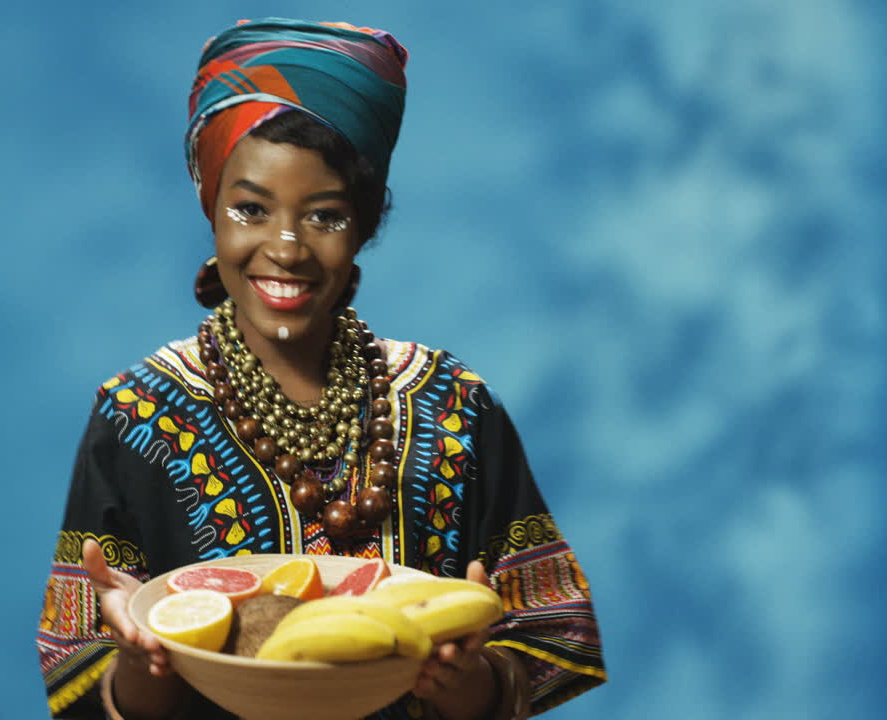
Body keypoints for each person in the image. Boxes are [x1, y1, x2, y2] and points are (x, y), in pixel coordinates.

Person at [38, 18, 606, 719]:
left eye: (325, 216)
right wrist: (140, 661)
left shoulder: (455, 406)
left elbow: (553, 637)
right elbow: (82, 683)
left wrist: (467, 680)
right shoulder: (134, 414)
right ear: (208, 205)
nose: (285, 247)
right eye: (250, 208)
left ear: (366, 226)